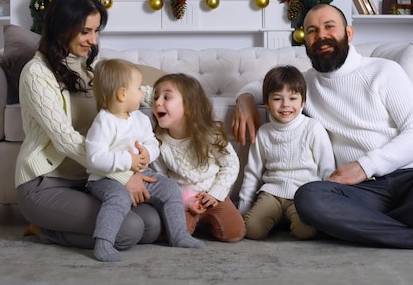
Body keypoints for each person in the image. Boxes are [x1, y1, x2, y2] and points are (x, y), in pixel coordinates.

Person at [232, 3, 413, 251]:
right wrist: (244, 99)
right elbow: (263, 86)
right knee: (308, 197)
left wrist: (365, 166)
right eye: (312, 31)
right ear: (305, 41)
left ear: (348, 33)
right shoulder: (307, 83)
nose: (321, 36)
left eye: (329, 27)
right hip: (362, 194)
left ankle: (368, 228)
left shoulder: (384, 71)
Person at [15, 0, 163, 254]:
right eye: (86, 31)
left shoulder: (90, 69)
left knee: (152, 225)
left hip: (88, 182)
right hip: (46, 184)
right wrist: (123, 174)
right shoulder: (36, 74)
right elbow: (65, 139)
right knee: (129, 231)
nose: (93, 40)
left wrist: (175, 96)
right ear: (63, 28)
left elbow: (133, 92)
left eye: (97, 31)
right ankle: (45, 230)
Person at [85, 59, 205, 262]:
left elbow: (152, 142)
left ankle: (179, 235)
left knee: (169, 188)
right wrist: (128, 161)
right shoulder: (104, 121)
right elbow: (95, 158)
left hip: (142, 173)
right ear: (123, 94)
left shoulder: (140, 117)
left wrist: (148, 154)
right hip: (105, 179)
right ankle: (104, 242)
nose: (144, 93)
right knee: (119, 198)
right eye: (139, 88)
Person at [238, 65, 335, 240]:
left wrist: (326, 203)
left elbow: (327, 169)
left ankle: (287, 219)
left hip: (303, 193)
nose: (285, 105)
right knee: (252, 230)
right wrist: (243, 209)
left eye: (293, 98)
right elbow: (252, 172)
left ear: (303, 101)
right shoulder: (264, 132)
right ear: (267, 103)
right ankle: (275, 217)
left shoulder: (312, 128)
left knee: (306, 232)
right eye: (277, 99)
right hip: (272, 193)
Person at [151, 73, 246, 242]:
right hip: (182, 199)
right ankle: (195, 222)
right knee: (174, 236)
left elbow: (231, 164)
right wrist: (183, 200)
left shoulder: (211, 135)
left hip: (212, 194)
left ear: (188, 106)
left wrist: (216, 194)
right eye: (155, 97)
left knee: (234, 233)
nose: (157, 102)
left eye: (167, 97)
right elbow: (161, 179)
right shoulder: (158, 141)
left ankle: (207, 222)